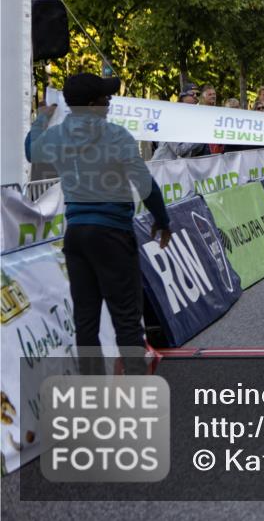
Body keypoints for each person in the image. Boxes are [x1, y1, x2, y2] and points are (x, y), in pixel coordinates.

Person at [25, 73, 171, 374]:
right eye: (106, 97)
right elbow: (145, 185)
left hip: (76, 234)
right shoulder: (116, 135)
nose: (110, 101)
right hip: (112, 233)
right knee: (127, 320)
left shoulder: (57, 136)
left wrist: (41, 119)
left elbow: (31, 150)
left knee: (86, 322)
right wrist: (162, 220)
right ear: (94, 104)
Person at [152, 88, 206, 160]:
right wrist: (201, 138)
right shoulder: (172, 117)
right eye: (192, 94)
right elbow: (179, 149)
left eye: (198, 94)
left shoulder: (193, 120)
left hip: (178, 168)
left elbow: (194, 151)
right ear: (182, 97)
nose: (195, 96)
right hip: (162, 167)